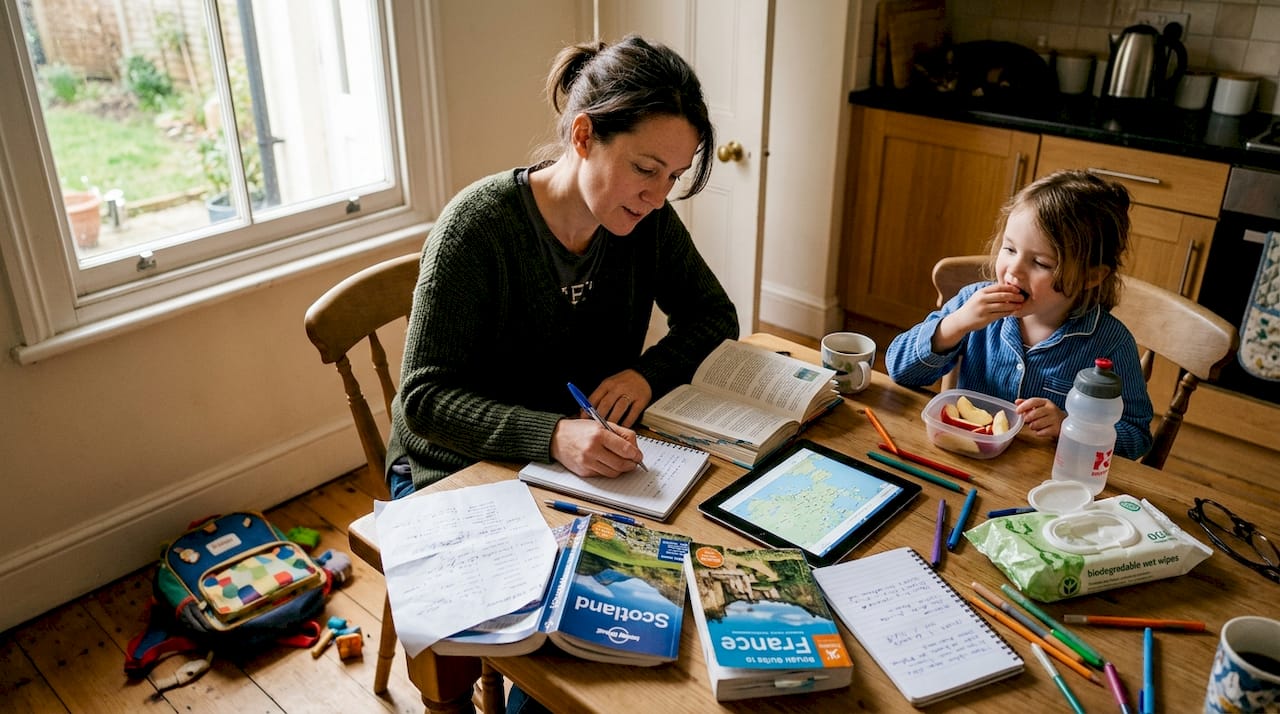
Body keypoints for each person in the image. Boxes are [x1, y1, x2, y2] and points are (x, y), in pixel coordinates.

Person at [885, 169, 1154, 459]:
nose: (1014, 269)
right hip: (964, 458)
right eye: (1009, 249)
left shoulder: (1111, 344)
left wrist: (1070, 425)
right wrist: (955, 325)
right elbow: (899, 370)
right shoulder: (970, 304)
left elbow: (1136, 436)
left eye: (1040, 263)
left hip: (1044, 476)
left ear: (1091, 277)